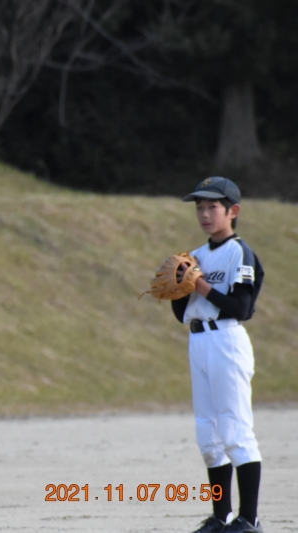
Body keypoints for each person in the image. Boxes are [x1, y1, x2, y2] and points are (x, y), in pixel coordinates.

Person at [171, 177, 265, 533]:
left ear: (233, 211)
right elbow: (183, 314)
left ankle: (249, 519)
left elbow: (240, 308)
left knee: (235, 430)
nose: (205, 214)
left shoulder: (239, 252)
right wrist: (178, 288)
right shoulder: (194, 256)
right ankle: (222, 516)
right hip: (199, 342)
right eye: (200, 207)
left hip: (227, 341)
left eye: (213, 206)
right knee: (208, 435)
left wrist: (199, 284)